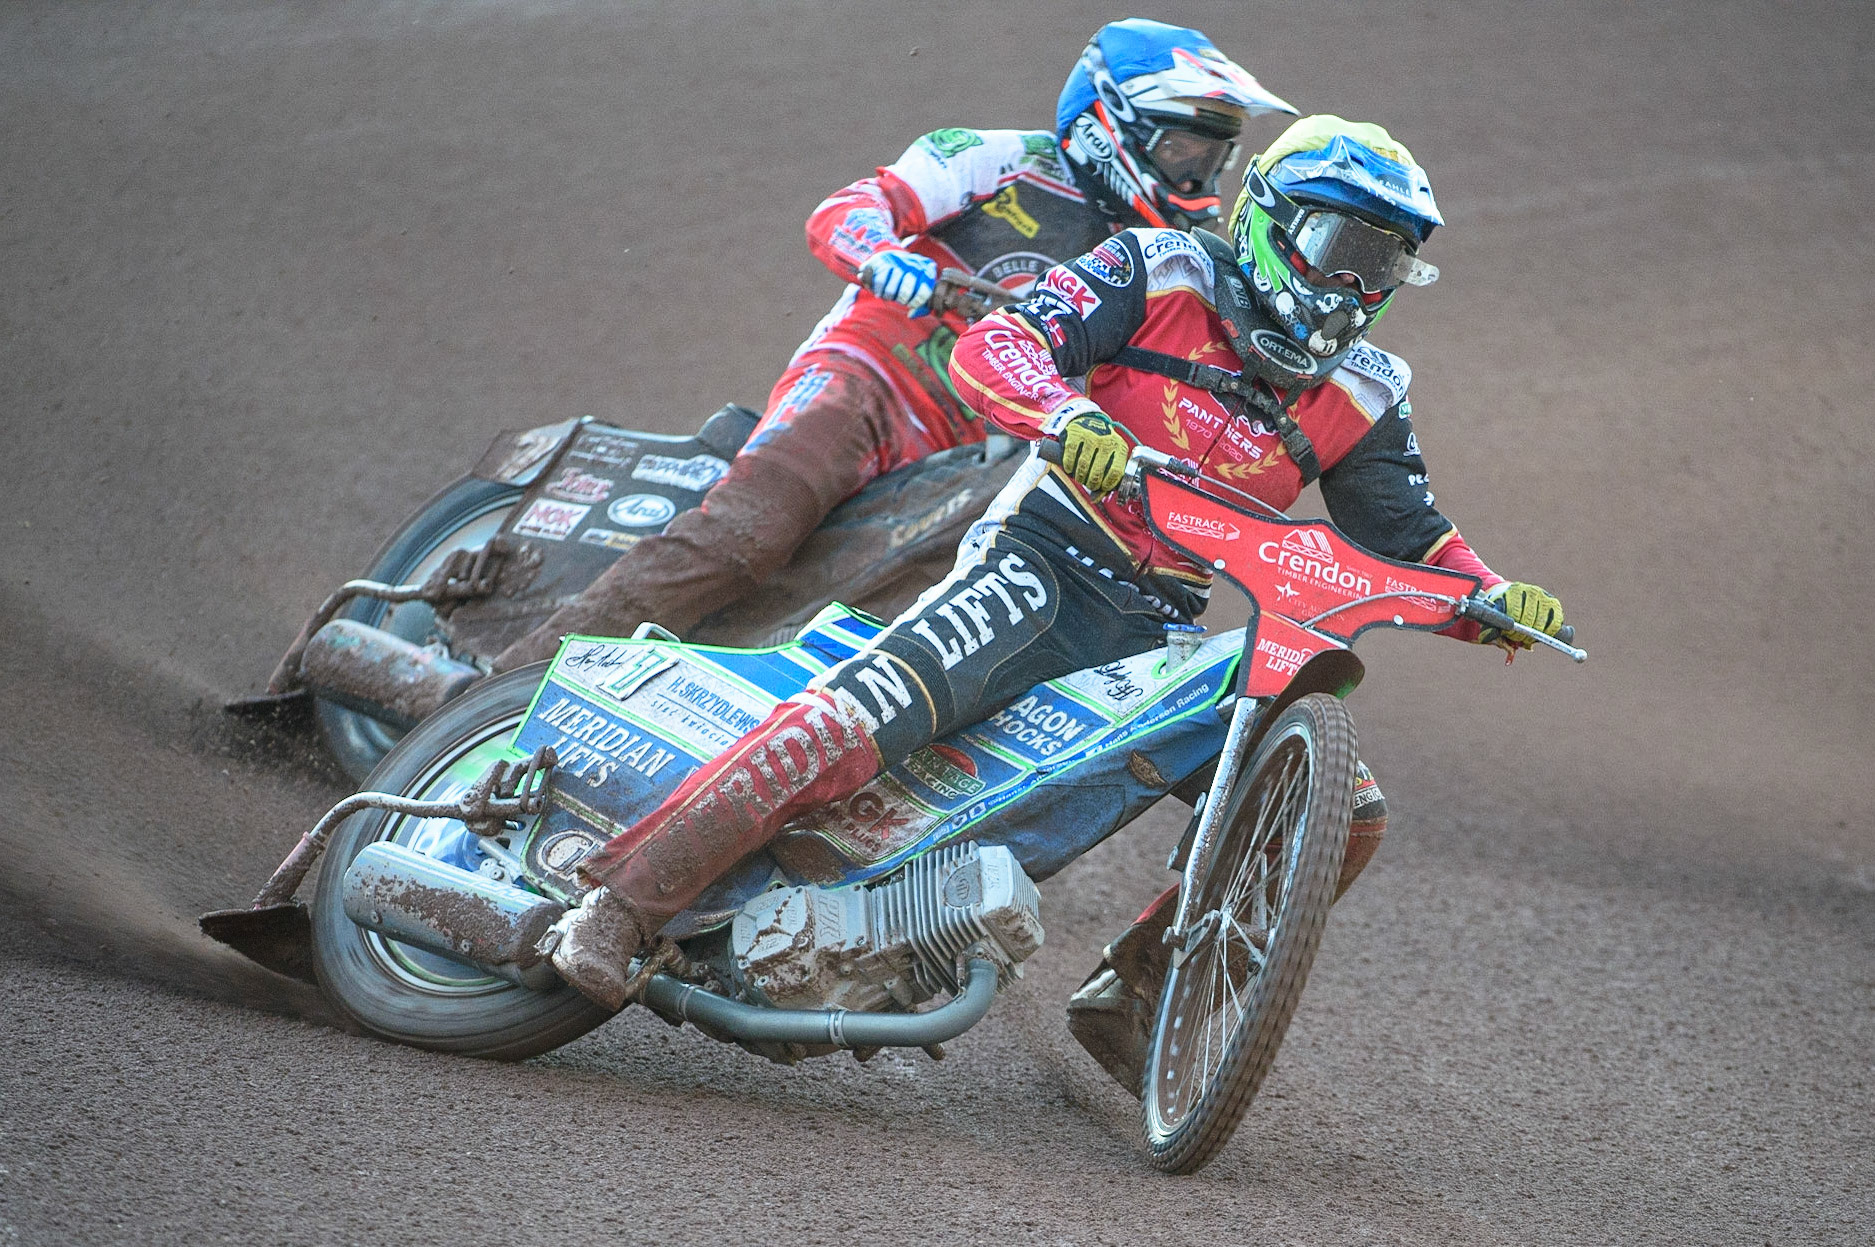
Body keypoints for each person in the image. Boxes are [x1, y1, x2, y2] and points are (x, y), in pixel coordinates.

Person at [544, 115, 1569, 1010]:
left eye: (1384, 265)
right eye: (1344, 245)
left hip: (1162, 625)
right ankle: (621, 904)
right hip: (1043, 559)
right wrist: (1068, 414)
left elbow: (1413, 536)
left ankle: (1141, 1002)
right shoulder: (1159, 267)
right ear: (1272, 219)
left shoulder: (1368, 388)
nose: (1355, 285)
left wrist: (1488, 594)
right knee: (856, 720)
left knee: (1342, 810)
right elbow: (999, 345)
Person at [490, 19, 1295, 672]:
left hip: (977, 453)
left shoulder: (1161, 263)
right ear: (1108, 123)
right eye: (1184, 147)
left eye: (1214, 153)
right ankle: (495, 688)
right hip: (867, 382)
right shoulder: (999, 160)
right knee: (750, 537)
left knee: (926, 615)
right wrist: (888, 261)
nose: (1199, 174)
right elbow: (844, 208)